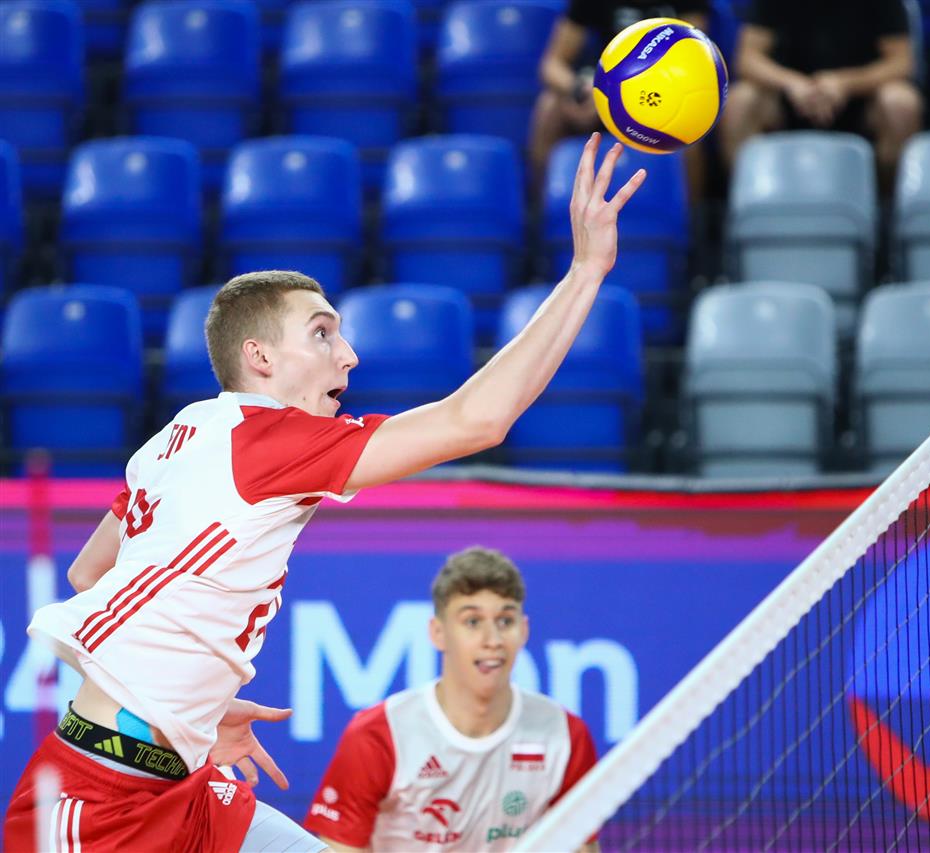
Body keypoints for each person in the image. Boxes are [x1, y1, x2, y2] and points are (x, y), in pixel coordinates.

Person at [2, 133, 645, 853]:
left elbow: (90, 572)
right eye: (322, 334)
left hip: (181, 780)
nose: (349, 355)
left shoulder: (180, 434)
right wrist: (586, 270)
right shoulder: (269, 440)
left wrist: (189, 707)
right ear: (260, 357)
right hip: (100, 802)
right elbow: (477, 419)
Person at [302, 547, 598, 852]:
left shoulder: (565, 735)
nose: (493, 640)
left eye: (505, 621)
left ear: (523, 631)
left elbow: (581, 847)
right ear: (438, 633)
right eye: (472, 622)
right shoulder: (378, 735)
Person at [718, 0, 922, 192]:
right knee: (740, 102)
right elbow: (747, 59)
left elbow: (901, 62)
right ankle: (748, 201)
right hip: (789, 99)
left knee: (900, 103)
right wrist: (793, 84)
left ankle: (886, 205)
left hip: (860, 100)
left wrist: (845, 83)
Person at [528, 1, 711, 192]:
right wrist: (579, 89)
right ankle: (543, 203)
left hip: (666, 95)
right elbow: (551, 65)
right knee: (549, 106)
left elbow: (696, 58)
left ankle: (692, 209)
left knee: (689, 129)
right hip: (603, 94)